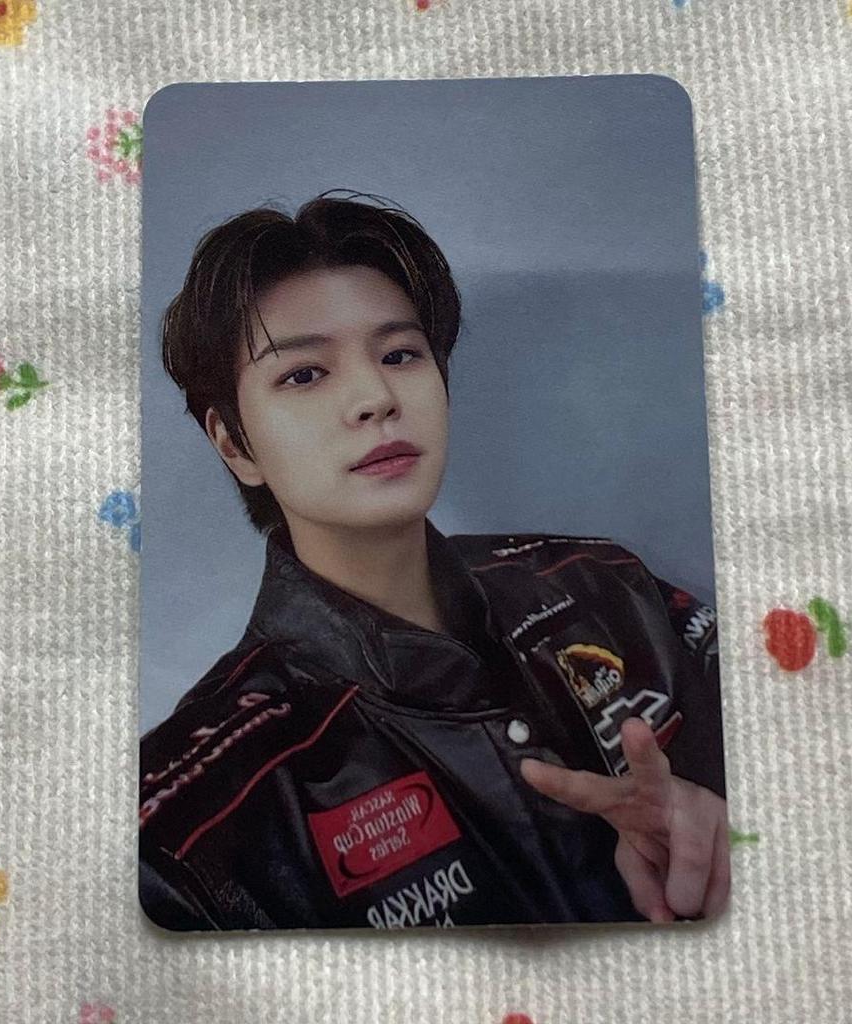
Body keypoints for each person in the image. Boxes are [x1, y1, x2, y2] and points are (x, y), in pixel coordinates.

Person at [139, 189, 729, 932]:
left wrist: (733, 846)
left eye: (399, 354)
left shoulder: (604, 585)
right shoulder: (191, 819)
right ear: (234, 444)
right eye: (304, 374)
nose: (375, 397)